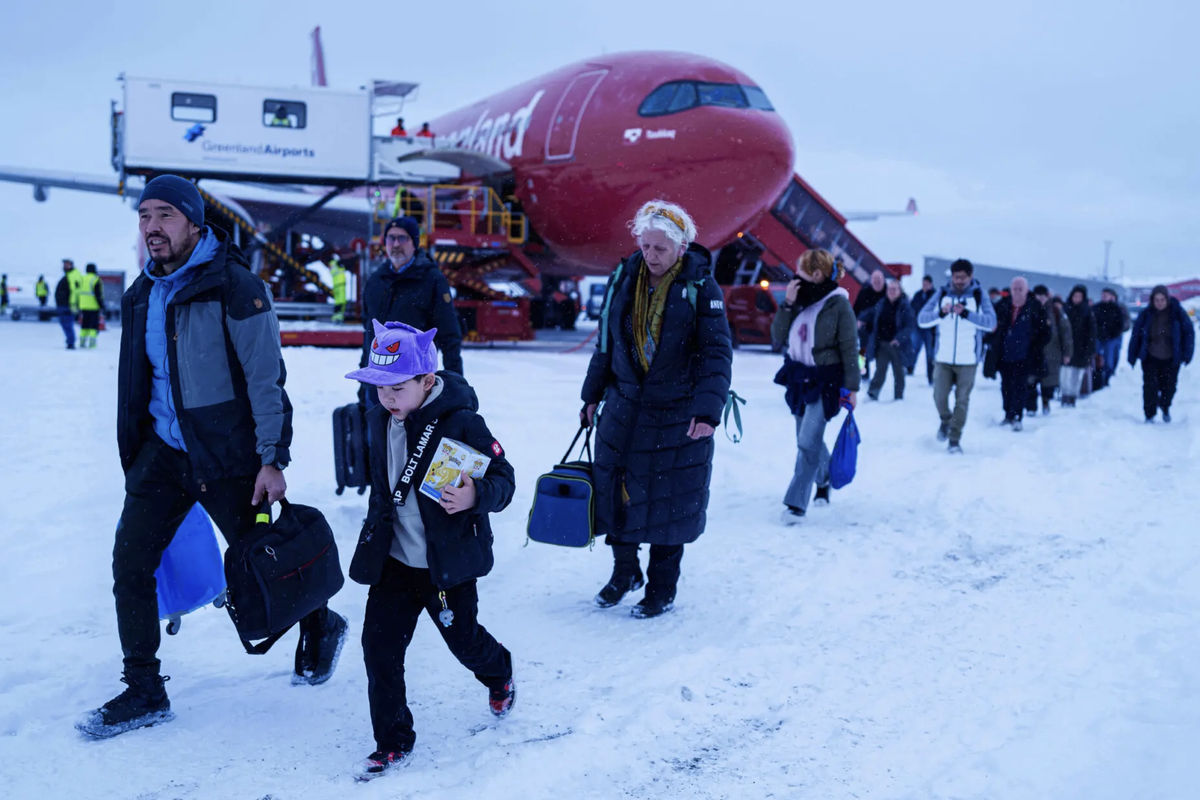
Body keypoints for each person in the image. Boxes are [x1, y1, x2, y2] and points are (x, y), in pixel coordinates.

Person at [77, 175, 348, 740]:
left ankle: (321, 624)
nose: (152, 227)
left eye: (165, 216)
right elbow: (140, 381)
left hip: (228, 457)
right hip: (162, 455)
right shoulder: (140, 294)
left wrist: (272, 459)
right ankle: (145, 689)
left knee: (263, 564)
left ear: (194, 223)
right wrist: (137, 452)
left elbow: (266, 379)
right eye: (145, 216)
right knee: (130, 565)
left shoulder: (235, 287)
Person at [345, 321, 516, 780]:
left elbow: (506, 480)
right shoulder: (380, 416)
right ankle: (393, 741)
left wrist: (476, 495)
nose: (387, 397)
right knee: (378, 650)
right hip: (395, 564)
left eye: (397, 387)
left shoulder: (462, 421)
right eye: (379, 387)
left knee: (465, 644)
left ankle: (500, 672)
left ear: (427, 380)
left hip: (446, 567)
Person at [581, 200, 732, 618]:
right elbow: (606, 344)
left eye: (660, 248)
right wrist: (590, 396)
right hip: (625, 408)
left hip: (678, 414)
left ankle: (662, 588)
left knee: (671, 503)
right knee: (617, 496)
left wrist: (707, 411)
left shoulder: (701, 287)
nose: (651, 255)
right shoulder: (623, 279)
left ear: (681, 247)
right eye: (645, 246)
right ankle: (625, 572)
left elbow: (715, 354)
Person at [771, 249, 859, 522]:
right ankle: (823, 478)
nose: (796, 274)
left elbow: (849, 347)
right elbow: (778, 336)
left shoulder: (838, 304)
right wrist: (787, 303)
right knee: (806, 438)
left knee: (808, 441)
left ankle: (796, 504)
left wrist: (852, 388)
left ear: (817, 274)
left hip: (825, 380)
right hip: (798, 376)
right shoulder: (798, 300)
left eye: (801, 270)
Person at [360, 217, 463, 412]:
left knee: (413, 441)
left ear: (414, 243)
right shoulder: (376, 280)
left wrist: (455, 388)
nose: (396, 244)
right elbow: (369, 337)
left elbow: (449, 336)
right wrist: (364, 384)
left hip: (413, 386)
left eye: (402, 238)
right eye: (391, 238)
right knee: (379, 440)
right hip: (378, 388)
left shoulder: (431, 279)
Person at [918, 258, 997, 453]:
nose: (959, 281)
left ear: (970, 276)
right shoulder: (942, 293)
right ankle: (946, 421)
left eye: (962, 277)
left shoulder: (979, 295)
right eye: (955, 277)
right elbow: (922, 319)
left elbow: (991, 322)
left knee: (962, 400)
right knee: (939, 397)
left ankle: (954, 438)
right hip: (943, 358)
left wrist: (967, 314)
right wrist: (940, 314)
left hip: (968, 361)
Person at [1128, 285, 1194, 423]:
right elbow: (1136, 335)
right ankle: (1149, 414)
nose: (1159, 303)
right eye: (1156, 300)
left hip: (1171, 358)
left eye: (1162, 299)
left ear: (1167, 299)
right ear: (1152, 300)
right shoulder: (1146, 314)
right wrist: (1132, 354)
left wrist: (1187, 353)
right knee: (1149, 387)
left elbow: (1189, 333)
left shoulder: (1177, 313)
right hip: (1150, 357)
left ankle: (1165, 407)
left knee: (1168, 388)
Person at [991, 277, 1049, 431]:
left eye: (1020, 289)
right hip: (1005, 354)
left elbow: (1045, 332)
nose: (1017, 292)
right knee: (1006, 385)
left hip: (1025, 355)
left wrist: (1036, 347)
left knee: (1021, 386)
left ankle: (1018, 415)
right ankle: (1008, 413)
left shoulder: (1035, 307)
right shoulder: (1003, 305)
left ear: (1026, 290)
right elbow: (994, 327)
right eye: (1014, 289)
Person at [860, 278, 915, 401]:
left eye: (894, 289)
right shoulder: (881, 303)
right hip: (882, 344)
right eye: (889, 289)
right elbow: (871, 313)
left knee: (899, 373)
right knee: (880, 371)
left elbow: (910, 326)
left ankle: (898, 397)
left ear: (900, 291)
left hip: (897, 345)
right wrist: (860, 319)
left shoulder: (905, 306)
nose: (891, 291)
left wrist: (898, 339)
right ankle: (872, 393)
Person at [1028, 285, 1073, 416]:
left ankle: (1046, 402)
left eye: (1043, 296)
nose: (1041, 299)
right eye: (1038, 296)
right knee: (1030, 381)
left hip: (1052, 353)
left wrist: (1067, 353)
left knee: (1049, 381)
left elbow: (1066, 334)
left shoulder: (1056, 311)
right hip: (1032, 353)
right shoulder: (1028, 308)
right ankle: (1030, 407)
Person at [1062, 285, 1097, 406]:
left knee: (1077, 374)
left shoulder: (1087, 311)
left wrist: (1089, 349)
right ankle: (1065, 395)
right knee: (1065, 372)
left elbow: (1091, 332)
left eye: (1079, 296)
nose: (1076, 298)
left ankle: (1073, 395)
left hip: (1081, 347)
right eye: (1075, 296)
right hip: (1067, 346)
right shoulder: (1066, 309)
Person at [853, 270, 887, 381]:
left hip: (883, 328)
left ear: (883, 280)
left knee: (880, 353)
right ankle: (863, 372)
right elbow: (856, 309)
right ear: (871, 281)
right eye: (875, 280)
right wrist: (856, 321)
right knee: (862, 351)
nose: (877, 282)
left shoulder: (889, 291)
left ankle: (879, 377)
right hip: (865, 327)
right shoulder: (864, 292)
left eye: (879, 280)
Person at [1093, 288, 1125, 385]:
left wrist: (1114, 334)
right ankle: (1097, 378)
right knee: (1096, 359)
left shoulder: (1116, 308)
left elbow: (1120, 324)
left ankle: (1107, 378)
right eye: (1103, 295)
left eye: (1106, 295)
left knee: (1109, 360)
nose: (1104, 297)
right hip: (1098, 337)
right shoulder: (1096, 307)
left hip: (1110, 338)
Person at [910, 274, 938, 382]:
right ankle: (910, 368)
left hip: (930, 329)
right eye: (923, 284)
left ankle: (931, 376)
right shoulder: (918, 294)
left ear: (931, 284)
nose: (925, 286)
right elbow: (912, 308)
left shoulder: (935, 295)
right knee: (915, 348)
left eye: (927, 284)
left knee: (930, 352)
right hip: (918, 327)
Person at [54, 259, 82, 349]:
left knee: (67, 324)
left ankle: (71, 341)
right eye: (64, 265)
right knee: (66, 324)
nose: (64, 267)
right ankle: (70, 340)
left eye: (67, 265)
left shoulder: (72, 276)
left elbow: (75, 292)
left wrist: (72, 304)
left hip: (67, 305)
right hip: (64, 304)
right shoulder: (70, 275)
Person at [78, 263, 105, 348]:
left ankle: (82, 342)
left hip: (83, 306)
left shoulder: (82, 279)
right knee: (93, 325)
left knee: (84, 324)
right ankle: (92, 343)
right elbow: (98, 295)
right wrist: (101, 305)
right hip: (93, 306)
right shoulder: (96, 279)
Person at [329, 254, 348, 323]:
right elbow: (345, 262)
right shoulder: (337, 263)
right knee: (342, 302)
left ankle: (335, 317)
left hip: (336, 285)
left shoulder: (332, 264)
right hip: (340, 285)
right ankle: (339, 317)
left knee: (338, 302)